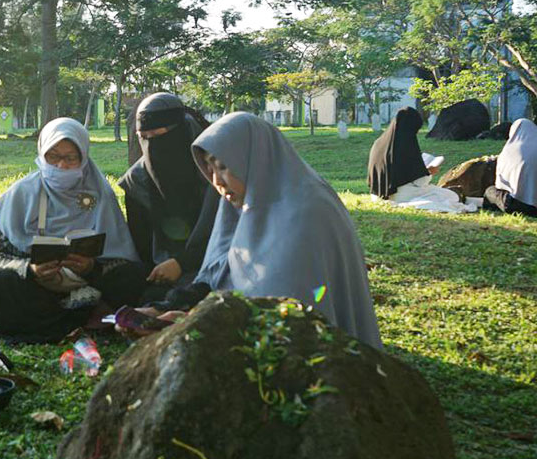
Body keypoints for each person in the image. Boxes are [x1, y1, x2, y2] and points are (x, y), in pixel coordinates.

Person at [128, 112, 382, 349]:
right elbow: (218, 278)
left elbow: (293, 315)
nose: (216, 181)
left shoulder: (307, 213)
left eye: (224, 166)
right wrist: (167, 310)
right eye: (209, 168)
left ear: (254, 158)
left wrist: (198, 324)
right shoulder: (240, 207)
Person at [0, 117, 146, 342]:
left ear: (83, 157)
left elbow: (122, 260)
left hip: (88, 287)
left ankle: (60, 323)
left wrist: (91, 267)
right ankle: (89, 321)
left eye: (71, 158)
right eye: (53, 157)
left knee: (133, 278)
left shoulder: (100, 194)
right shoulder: (22, 194)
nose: (61, 166)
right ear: (42, 154)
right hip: (37, 288)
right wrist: (30, 270)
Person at [118, 93, 220, 301]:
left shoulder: (217, 174)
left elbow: (229, 234)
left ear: (181, 132)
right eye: (145, 138)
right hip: (162, 271)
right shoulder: (137, 181)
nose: (153, 147)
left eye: (160, 135)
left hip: (216, 262)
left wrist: (183, 263)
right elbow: (143, 247)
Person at [367, 107, 478, 213]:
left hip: (377, 195)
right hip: (401, 195)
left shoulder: (378, 143)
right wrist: (429, 172)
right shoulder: (407, 144)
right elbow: (419, 183)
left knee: (442, 193)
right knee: (451, 196)